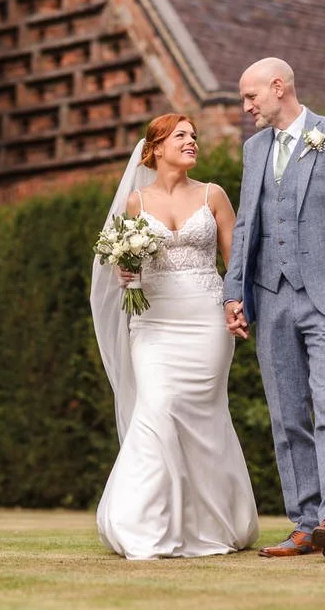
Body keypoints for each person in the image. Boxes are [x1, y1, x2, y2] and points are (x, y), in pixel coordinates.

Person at [223, 58, 325, 560]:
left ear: (279, 87)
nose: (247, 107)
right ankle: (304, 523)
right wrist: (234, 292)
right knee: (286, 414)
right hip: (270, 297)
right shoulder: (253, 150)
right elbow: (247, 224)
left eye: (251, 97)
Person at [90, 113, 259, 560]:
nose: (191, 142)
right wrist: (126, 269)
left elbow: (235, 263)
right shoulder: (135, 204)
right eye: (181, 136)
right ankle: (140, 523)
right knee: (157, 407)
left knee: (203, 417)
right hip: (154, 323)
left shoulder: (213, 195)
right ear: (156, 147)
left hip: (205, 320)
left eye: (194, 136)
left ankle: (214, 522)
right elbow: (127, 266)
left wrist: (237, 306)